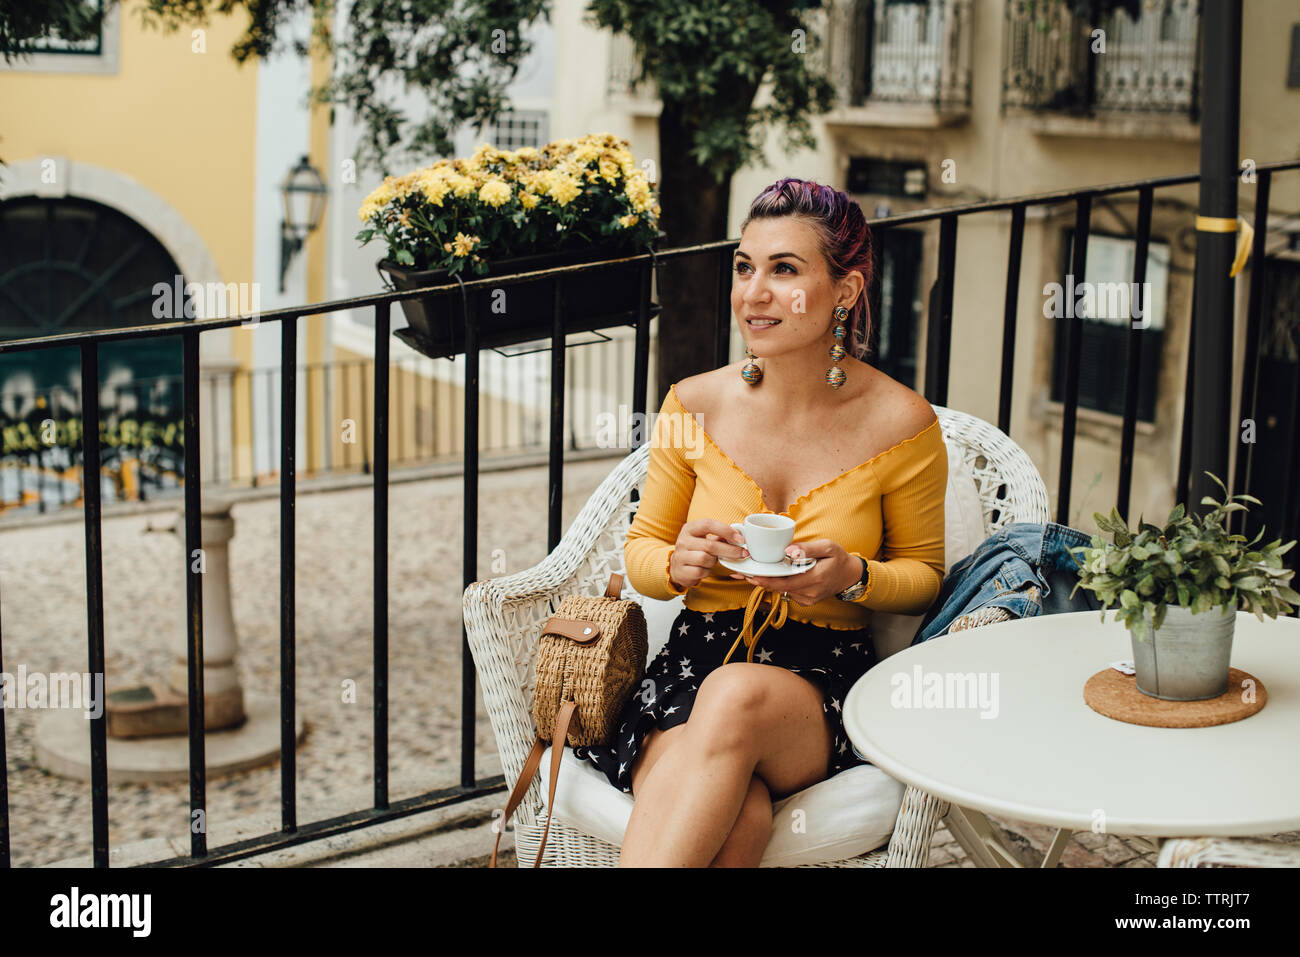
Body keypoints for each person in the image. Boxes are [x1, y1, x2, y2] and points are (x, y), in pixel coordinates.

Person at [573, 178, 947, 867]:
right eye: (746, 266)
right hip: (689, 666)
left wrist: (853, 575)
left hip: (817, 678)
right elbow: (642, 555)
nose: (753, 292)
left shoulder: (903, 422)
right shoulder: (692, 403)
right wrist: (678, 562)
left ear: (846, 291)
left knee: (736, 693)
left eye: (784, 269)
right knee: (738, 820)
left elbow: (926, 577)